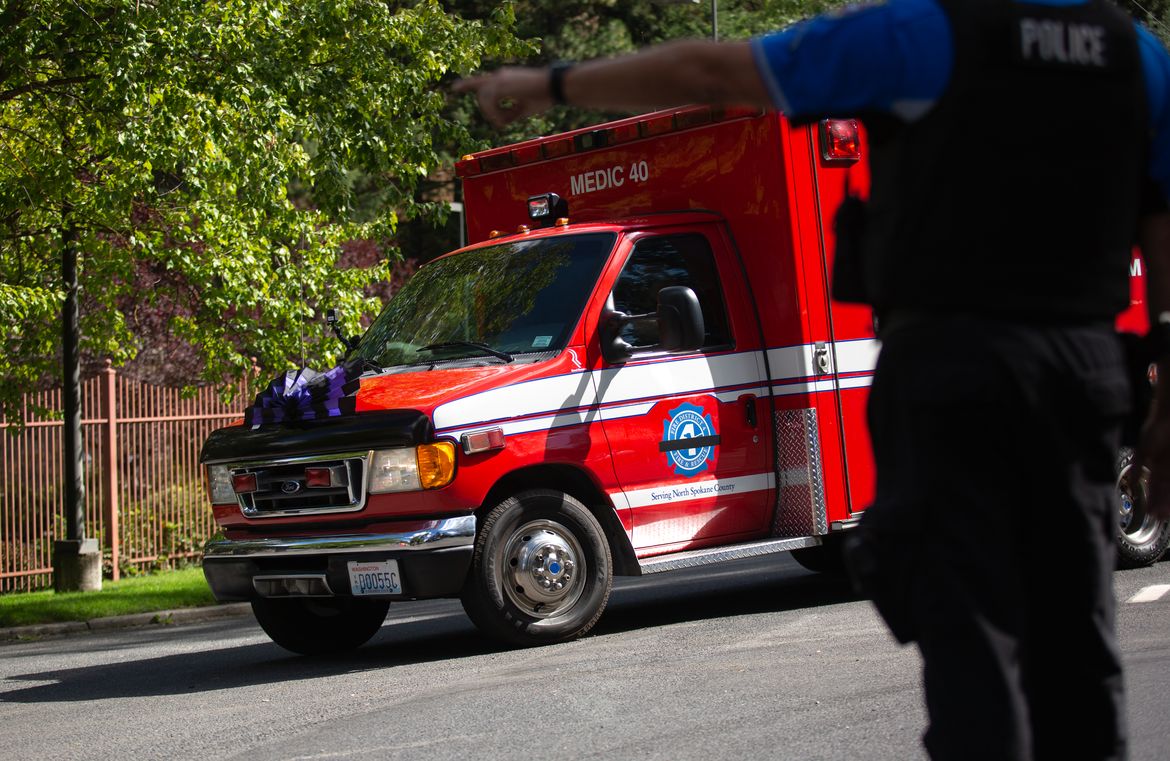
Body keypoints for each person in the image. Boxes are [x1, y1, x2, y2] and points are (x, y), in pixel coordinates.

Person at [456, 1, 1170, 759]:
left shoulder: (920, 36)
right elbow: (1161, 223)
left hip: (954, 372)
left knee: (971, 649)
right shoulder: (1135, 56)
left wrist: (550, 84)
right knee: (1077, 640)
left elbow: (711, 70)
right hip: (1082, 372)